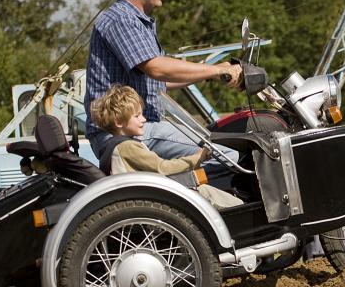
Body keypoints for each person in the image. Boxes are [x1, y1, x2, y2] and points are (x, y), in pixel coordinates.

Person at [84, 0, 242, 181]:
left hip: (141, 128)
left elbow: (160, 80)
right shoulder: (121, 19)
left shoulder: (140, 21)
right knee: (230, 156)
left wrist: (210, 74)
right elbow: (156, 68)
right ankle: (190, 201)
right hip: (125, 133)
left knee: (224, 144)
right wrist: (218, 69)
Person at [91, 84, 243, 210]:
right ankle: (244, 212)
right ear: (119, 122)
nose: (143, 119)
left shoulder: (118, 147)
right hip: (153, 201)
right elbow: (162, 168)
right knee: (206, 192)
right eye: (137, 116)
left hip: (144, 198)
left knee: (200, 186)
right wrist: (198, 157)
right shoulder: (127, 147)